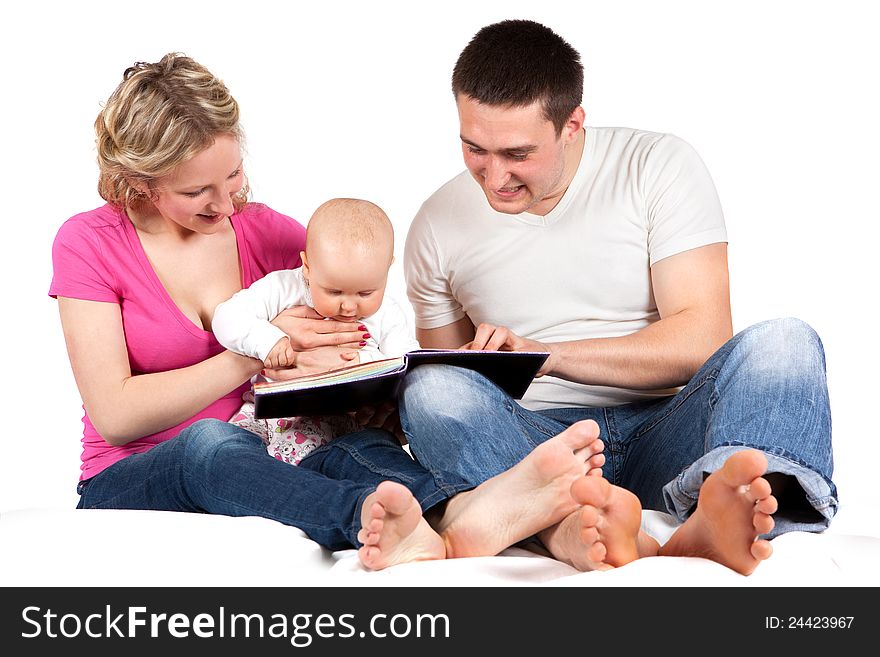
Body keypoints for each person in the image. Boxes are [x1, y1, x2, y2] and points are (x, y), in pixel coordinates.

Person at [49, 52, 607, 572]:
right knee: (210, 445)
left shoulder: (266, 231)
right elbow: (116, 416)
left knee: (359, 448)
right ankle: (383, 520)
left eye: (234, 176)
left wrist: (373, 392)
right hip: (137, 473)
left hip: (277, 450)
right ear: (140, 183)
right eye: (198, 191)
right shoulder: (88, 244)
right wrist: (252, 356)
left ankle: (502, 522)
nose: (227, 205)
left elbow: (356, 298)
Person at [401, 19, 837, 575]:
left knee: (786, 343)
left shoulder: (657, 166)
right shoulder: (435, 224)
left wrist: (545, 355)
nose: (494, 176)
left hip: (668, 428)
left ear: (572, 125)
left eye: (517, 153)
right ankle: (566, 520)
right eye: (474, 149)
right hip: (536, 450)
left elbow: (703, 340)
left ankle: (717, 508)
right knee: (430, 387)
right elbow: (449, 377)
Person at [212, 197, 419, 464]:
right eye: (333, 291)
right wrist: (267, 341)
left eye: (366, 292)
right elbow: (226, 317)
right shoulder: (284, 288)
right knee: (229, 451)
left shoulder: (387, 314)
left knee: (308, 454)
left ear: (387, 268)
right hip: (263, 412)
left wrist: (361, 364)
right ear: (307, 267)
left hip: (336, 419)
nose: (348, 305)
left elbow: (407, 368)